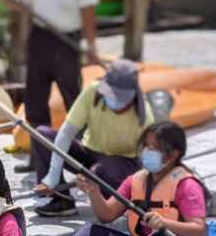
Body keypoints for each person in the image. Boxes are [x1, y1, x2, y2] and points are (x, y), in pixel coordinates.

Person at [23, 121, 209, 236]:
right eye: (146, 146)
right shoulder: (136, 180)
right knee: (91, 232)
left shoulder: (187, 185)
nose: (148, 152)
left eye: (155, 148)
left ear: (173, 154)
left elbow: (198, 232)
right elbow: (107, 215)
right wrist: (94, 191)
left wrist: (165, 224)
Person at [11, 0, 100, 173]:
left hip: (66, 39)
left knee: (73, 96)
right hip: (40, 36)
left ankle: (80, 154)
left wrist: (92, 45)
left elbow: (87, 7)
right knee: (35, 98)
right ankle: (38, 155)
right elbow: (24, 3)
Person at [31, 58, 154, 217]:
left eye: (119, 97)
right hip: (90, 152)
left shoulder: (145, 117)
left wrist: (146, 195)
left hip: (121, 163)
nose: (113, 100)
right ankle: (61, 200)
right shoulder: (93, 91)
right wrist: (52, 175)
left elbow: (148, 161)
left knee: (101, 171)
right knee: (41, 134)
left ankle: (111, 199)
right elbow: (66, 132)